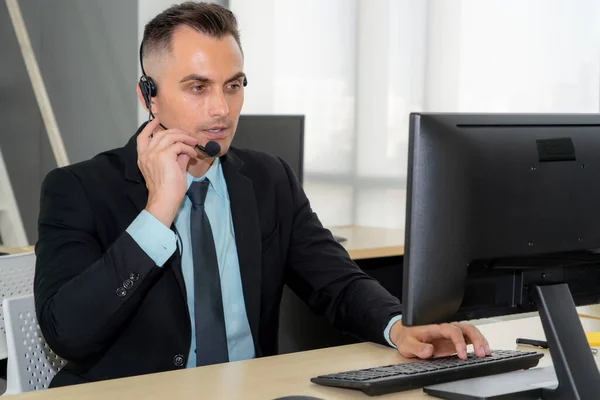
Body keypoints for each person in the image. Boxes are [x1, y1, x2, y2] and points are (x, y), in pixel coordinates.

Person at [34, 1, 490, 388]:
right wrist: (158, 213)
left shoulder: (269, 179)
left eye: (233, 86)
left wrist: (399, 327)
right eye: (198, 87)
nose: (221, 109)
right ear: (148, 97)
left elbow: (337, 282)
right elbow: (68, 334)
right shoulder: (79, 189)